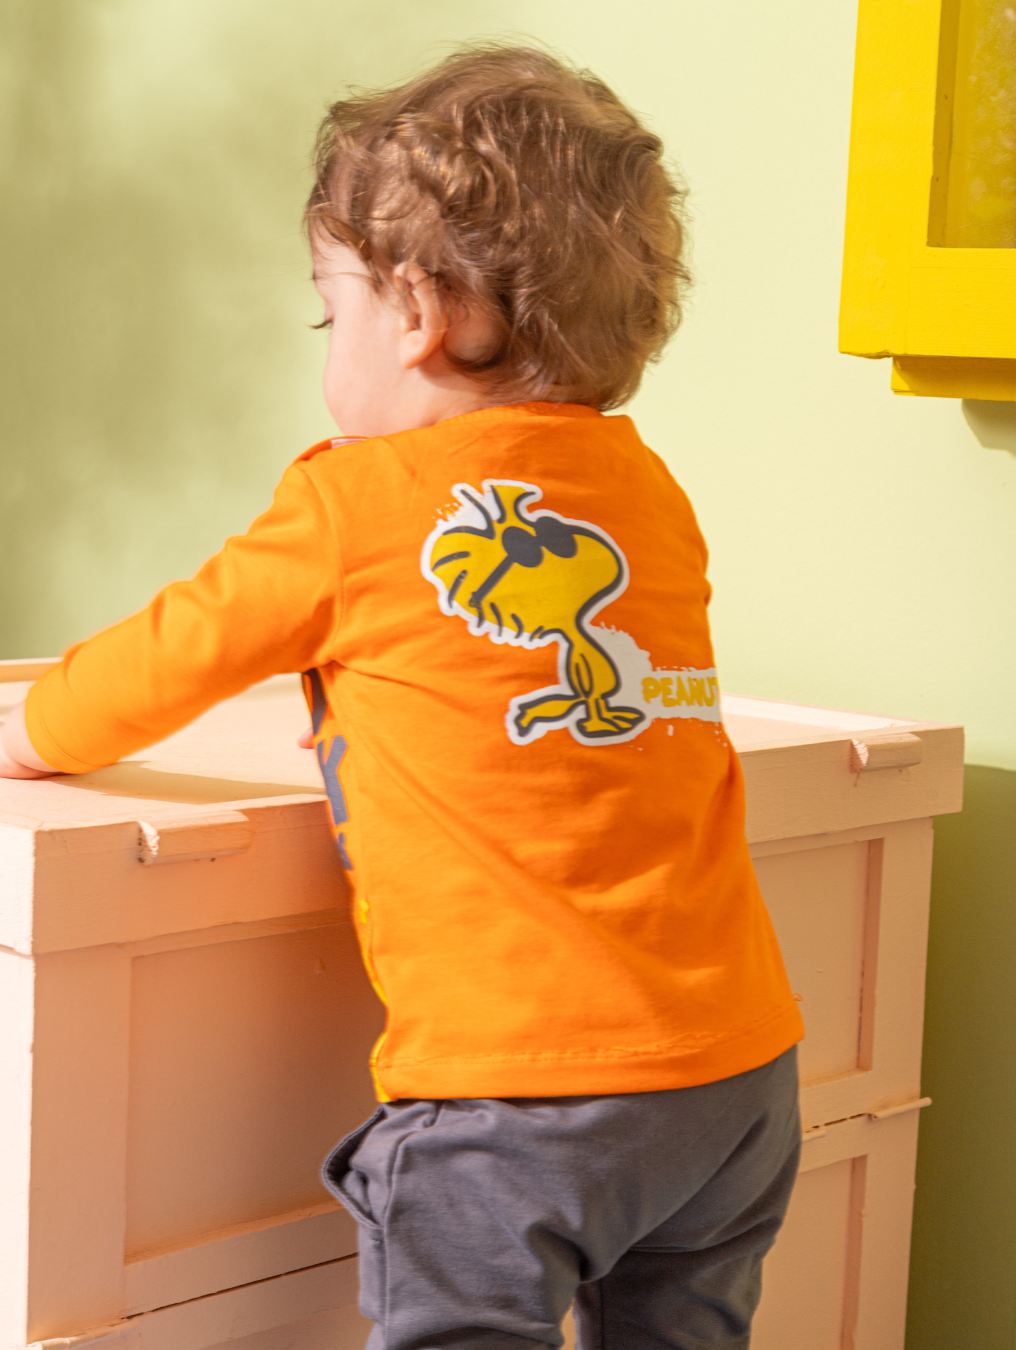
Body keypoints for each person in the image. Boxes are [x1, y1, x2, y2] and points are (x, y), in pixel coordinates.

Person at [0, 44, 803, 1350]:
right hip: (737, 1078)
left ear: (420, 312)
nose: (332, 347)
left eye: (334, 316)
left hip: (518, 1103)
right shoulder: (645, 494)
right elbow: (541, 699)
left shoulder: (355, 501)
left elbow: (175, 650)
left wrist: (33, 731)